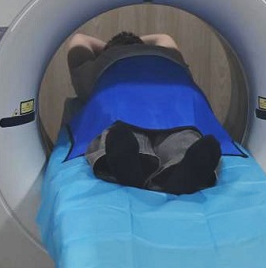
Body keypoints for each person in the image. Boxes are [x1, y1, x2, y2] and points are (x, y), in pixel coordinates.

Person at [65, 30, 228, 195]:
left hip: (123, 113)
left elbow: (79, 39)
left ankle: (133, 170)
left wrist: (109, 49)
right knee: (183, 139)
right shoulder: (168, 56)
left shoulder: (100, 63)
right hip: (176, 114)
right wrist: (136, 43)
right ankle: (181, 174)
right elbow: (163, 37)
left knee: (120, 135)